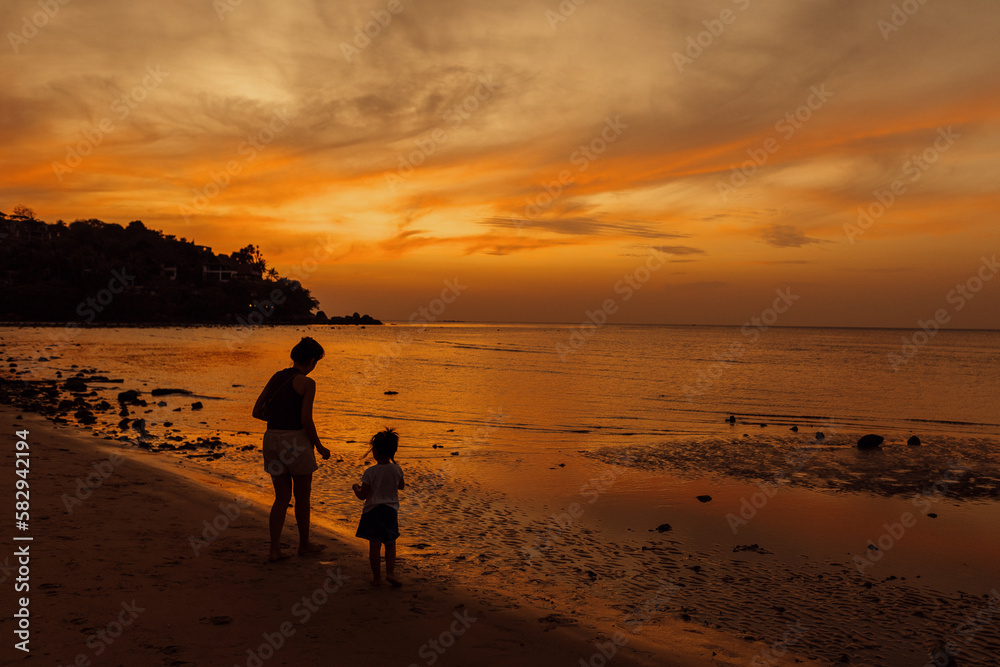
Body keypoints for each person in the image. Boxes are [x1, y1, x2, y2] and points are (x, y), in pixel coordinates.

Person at [253, 336, 331, 562]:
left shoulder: (277, 376)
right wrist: (319, 446)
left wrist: (279, 419)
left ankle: (274, 549)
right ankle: (304, 544)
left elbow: (257, 411)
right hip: (295, 441)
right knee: (302, 496)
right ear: (311, 360)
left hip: (271, 439)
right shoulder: (307, 383)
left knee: (281, 497)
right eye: (316, 360)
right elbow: (306, 419)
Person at [352, 428, 405, 587]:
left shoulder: (370, 472)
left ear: (374, 451)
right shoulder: (396, 469)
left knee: (374, 545)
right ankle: (390, 573)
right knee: (390, 543)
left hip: (372, 512)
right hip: (390, 512)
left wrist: (355, 488)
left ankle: (377, 578)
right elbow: (401, 486)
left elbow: (363, 495)